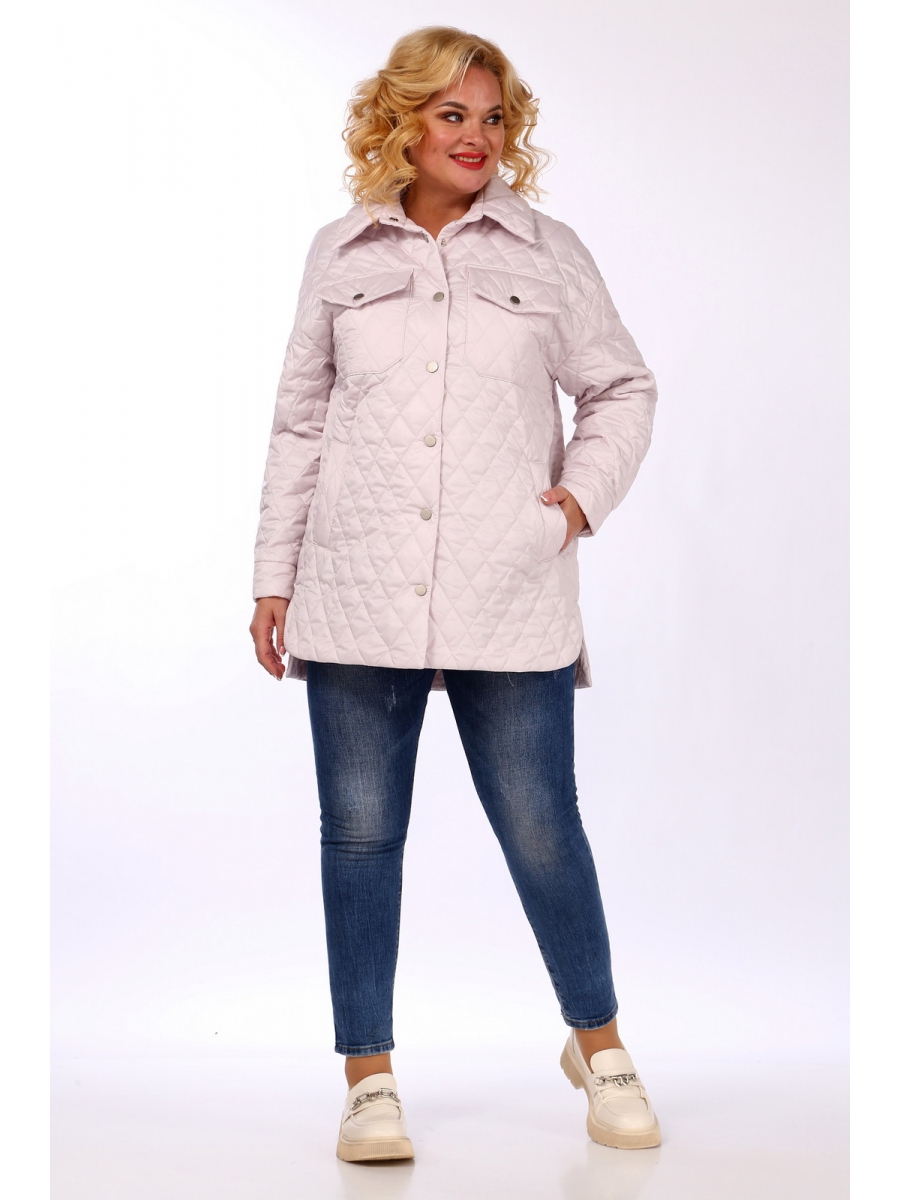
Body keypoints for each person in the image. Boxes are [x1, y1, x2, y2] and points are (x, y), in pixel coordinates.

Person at [250, 26, 659, 1163]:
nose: (475, 137)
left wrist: (573, 506)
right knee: (360, 836)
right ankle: (368, 1081)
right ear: (402, 122)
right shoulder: (340, 253)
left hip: (509, 587)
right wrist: (273, 576)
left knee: (542, 827)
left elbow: (622, 388)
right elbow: (299, 425)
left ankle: (601, 1046)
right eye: (450, 114)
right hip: (354, 582)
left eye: (491, 118)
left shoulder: (548, 252)